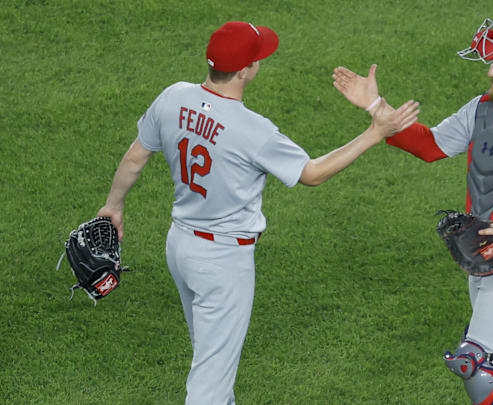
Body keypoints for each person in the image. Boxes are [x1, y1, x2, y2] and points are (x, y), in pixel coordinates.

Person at [96, 21, 419, 405]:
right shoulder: (253, 130)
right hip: (222, 261)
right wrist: (374, 133)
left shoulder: (173, 97)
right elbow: (312, 174)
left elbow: (136, 158)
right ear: (247, 70)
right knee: (209, 383)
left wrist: (113, 206)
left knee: (212, 357)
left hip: (180, 245)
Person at [332, 8, 493, 405]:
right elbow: (431, 146)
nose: (492, 72)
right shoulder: (483, 109)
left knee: (481, 368)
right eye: (492, 62)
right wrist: (375, 109)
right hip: (486, 256)